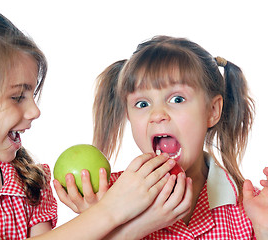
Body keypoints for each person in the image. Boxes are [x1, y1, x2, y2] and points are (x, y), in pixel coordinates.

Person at [0, 3, 193, 240]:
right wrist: (112, 209)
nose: (34, 111)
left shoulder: (25, 177)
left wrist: (141, 223)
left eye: (32, 95)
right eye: (17, 97)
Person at [57, 35, 268, 239]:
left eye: (177, 99)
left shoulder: (251, 209)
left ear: (212, 111)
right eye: (142, 104)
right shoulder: (106, 199)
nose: (157, 114)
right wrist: (99, 221)